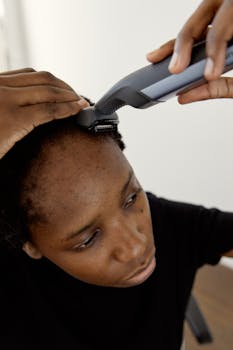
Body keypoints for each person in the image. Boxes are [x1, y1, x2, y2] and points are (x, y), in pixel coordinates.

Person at [0, 1, 232, 350]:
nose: (136, 245)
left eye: (130, 197)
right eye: (87, 239)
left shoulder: (170, 225)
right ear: (30, 244)